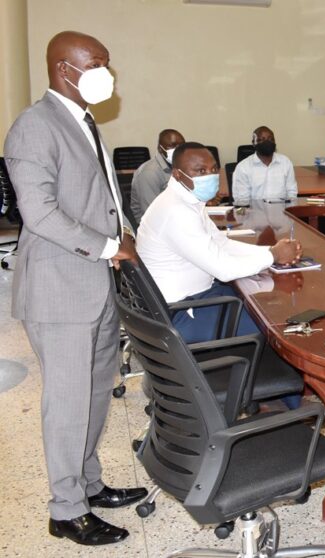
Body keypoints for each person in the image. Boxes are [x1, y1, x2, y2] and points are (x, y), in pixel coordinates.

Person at [3, 30, 147, 546]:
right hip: (60, 289)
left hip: (94, 286)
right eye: (99, 63)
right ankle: (65, 511)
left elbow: (102, 197)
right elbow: (39, 213)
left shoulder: (84, 122)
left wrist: (124, 231)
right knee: (66, 405)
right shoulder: (34, 127)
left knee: (91, 396)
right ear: (66, 69)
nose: (109, 73)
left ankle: (88, 484)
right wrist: (109, 248)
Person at [137, 142, 303, 344]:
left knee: (267, 301)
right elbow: (224, 270)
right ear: (178, 174)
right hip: (179, 313)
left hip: (198, 296)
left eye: (213, 169)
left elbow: (221, 244)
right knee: (278, 323)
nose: (210, 175)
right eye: (200, 170)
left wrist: (269, 250)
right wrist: (274, 256)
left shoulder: (186, 201)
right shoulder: (176, 211)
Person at [130, 128, 185, 224]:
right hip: (152, 226)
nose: (177, 150)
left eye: (181, 146)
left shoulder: (179, 166)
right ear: (160, 148)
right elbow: (151, 212)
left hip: (173, 216)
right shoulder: (149, 173)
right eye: (172, 146)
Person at [233, 125, 297, 205]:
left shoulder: (285, 162)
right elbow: (242, 201)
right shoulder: (243, 167)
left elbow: (292, 193)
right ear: (254, 143)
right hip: (254, 215)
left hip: (281, 213)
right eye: (262, 139)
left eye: (271, 139)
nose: (267, 142)